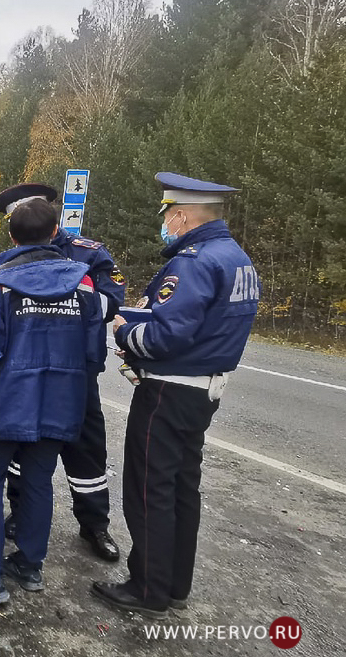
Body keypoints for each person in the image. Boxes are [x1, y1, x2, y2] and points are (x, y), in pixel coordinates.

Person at [92, 173, 259, 620]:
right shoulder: (237, 258)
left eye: (167, 215)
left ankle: (147, 589)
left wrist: (125, 331)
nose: (165, 223)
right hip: (204, 390)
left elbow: (165, 337)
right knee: (183, 489)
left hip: (169, 391)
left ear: (182, 215)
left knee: (150, 490)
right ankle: (174, 586)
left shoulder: (193, 261)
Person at [0, 198, 102, 604]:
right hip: (61, 401)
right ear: (54, 234)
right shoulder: (84, 283)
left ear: (12, 235)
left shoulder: (0, 282)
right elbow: (94, 352)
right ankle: (30, 566)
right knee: (37, 482)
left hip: (5, 402)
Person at [0, 183, 126, 562]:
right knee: (22, 444)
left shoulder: (88, 253)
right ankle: (20, 514)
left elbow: (111, 301)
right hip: (26, 370)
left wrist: (62, 296)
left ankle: (94, 525)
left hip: (76, 371)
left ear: (50, 219)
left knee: (85, 449)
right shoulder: (10, 258)